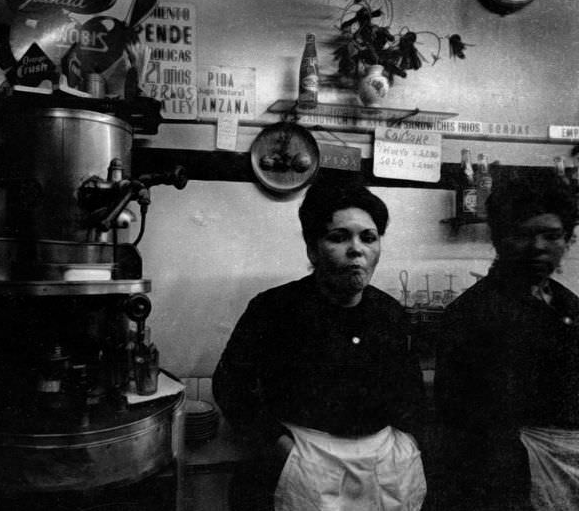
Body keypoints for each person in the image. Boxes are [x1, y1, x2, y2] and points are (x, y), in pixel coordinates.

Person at [212, 180, 427, 511]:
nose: (356, 249)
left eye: (368, 238)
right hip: (305, 459)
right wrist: (280, 446)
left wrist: (408, 442)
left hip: (384, 464)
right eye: (338, 237)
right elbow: (230, 387)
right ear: (313, 250)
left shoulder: (390, 313)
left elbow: (411, 391)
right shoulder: (273, 309)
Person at [435, 170, 579, 511]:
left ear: (567, 239)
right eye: (523, 235)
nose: (538, 247)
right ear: (498, 239)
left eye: (551, 235)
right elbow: (460, 425)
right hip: (507, 483)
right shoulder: (471, 314)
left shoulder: (569, 305)